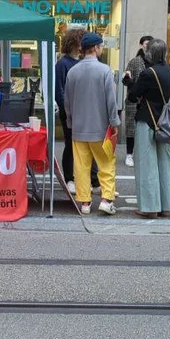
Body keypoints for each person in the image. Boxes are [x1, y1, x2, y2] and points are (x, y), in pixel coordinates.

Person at [63, 32, 119, 216]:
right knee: (106, 163)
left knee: (81, 166)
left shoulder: (73, 71)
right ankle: (106, 199)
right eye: (101, 46)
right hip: (100, 128)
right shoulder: (104, 70)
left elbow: (67, 101)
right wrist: (114, 121)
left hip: (79, 128)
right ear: (95, 48)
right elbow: (111, 100)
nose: (102, 49)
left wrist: (70, 121)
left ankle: (84, 202)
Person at [128, 39, 170, 218]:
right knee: (166, 164)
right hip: (167, 123)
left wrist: (129, 82)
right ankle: (167, 206)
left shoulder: (148, 73)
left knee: (147, 164)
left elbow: (134, 96)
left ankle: (149, 208)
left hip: (148, 121)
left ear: (149, 53)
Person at [54, 26, 96, 194]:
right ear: (75, 43)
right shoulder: (63, 64)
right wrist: (68, 109)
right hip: (70, 111)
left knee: (87, 146)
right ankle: (70, 178)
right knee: (71, 145)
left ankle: (89, 179)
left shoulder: (80, 63)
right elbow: (59, 91)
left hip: (84, 110)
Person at [120, 35, 153, 169]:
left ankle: (143, 154)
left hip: (149, 101)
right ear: (141, 45)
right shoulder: (134, 62)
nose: (147, 46)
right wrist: (133, 85)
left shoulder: (155, 62)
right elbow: (125, 79)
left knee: (146, 128)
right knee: (131, 128)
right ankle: (129, 154)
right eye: (146, 44)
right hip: (134, 100)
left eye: (150, 44)